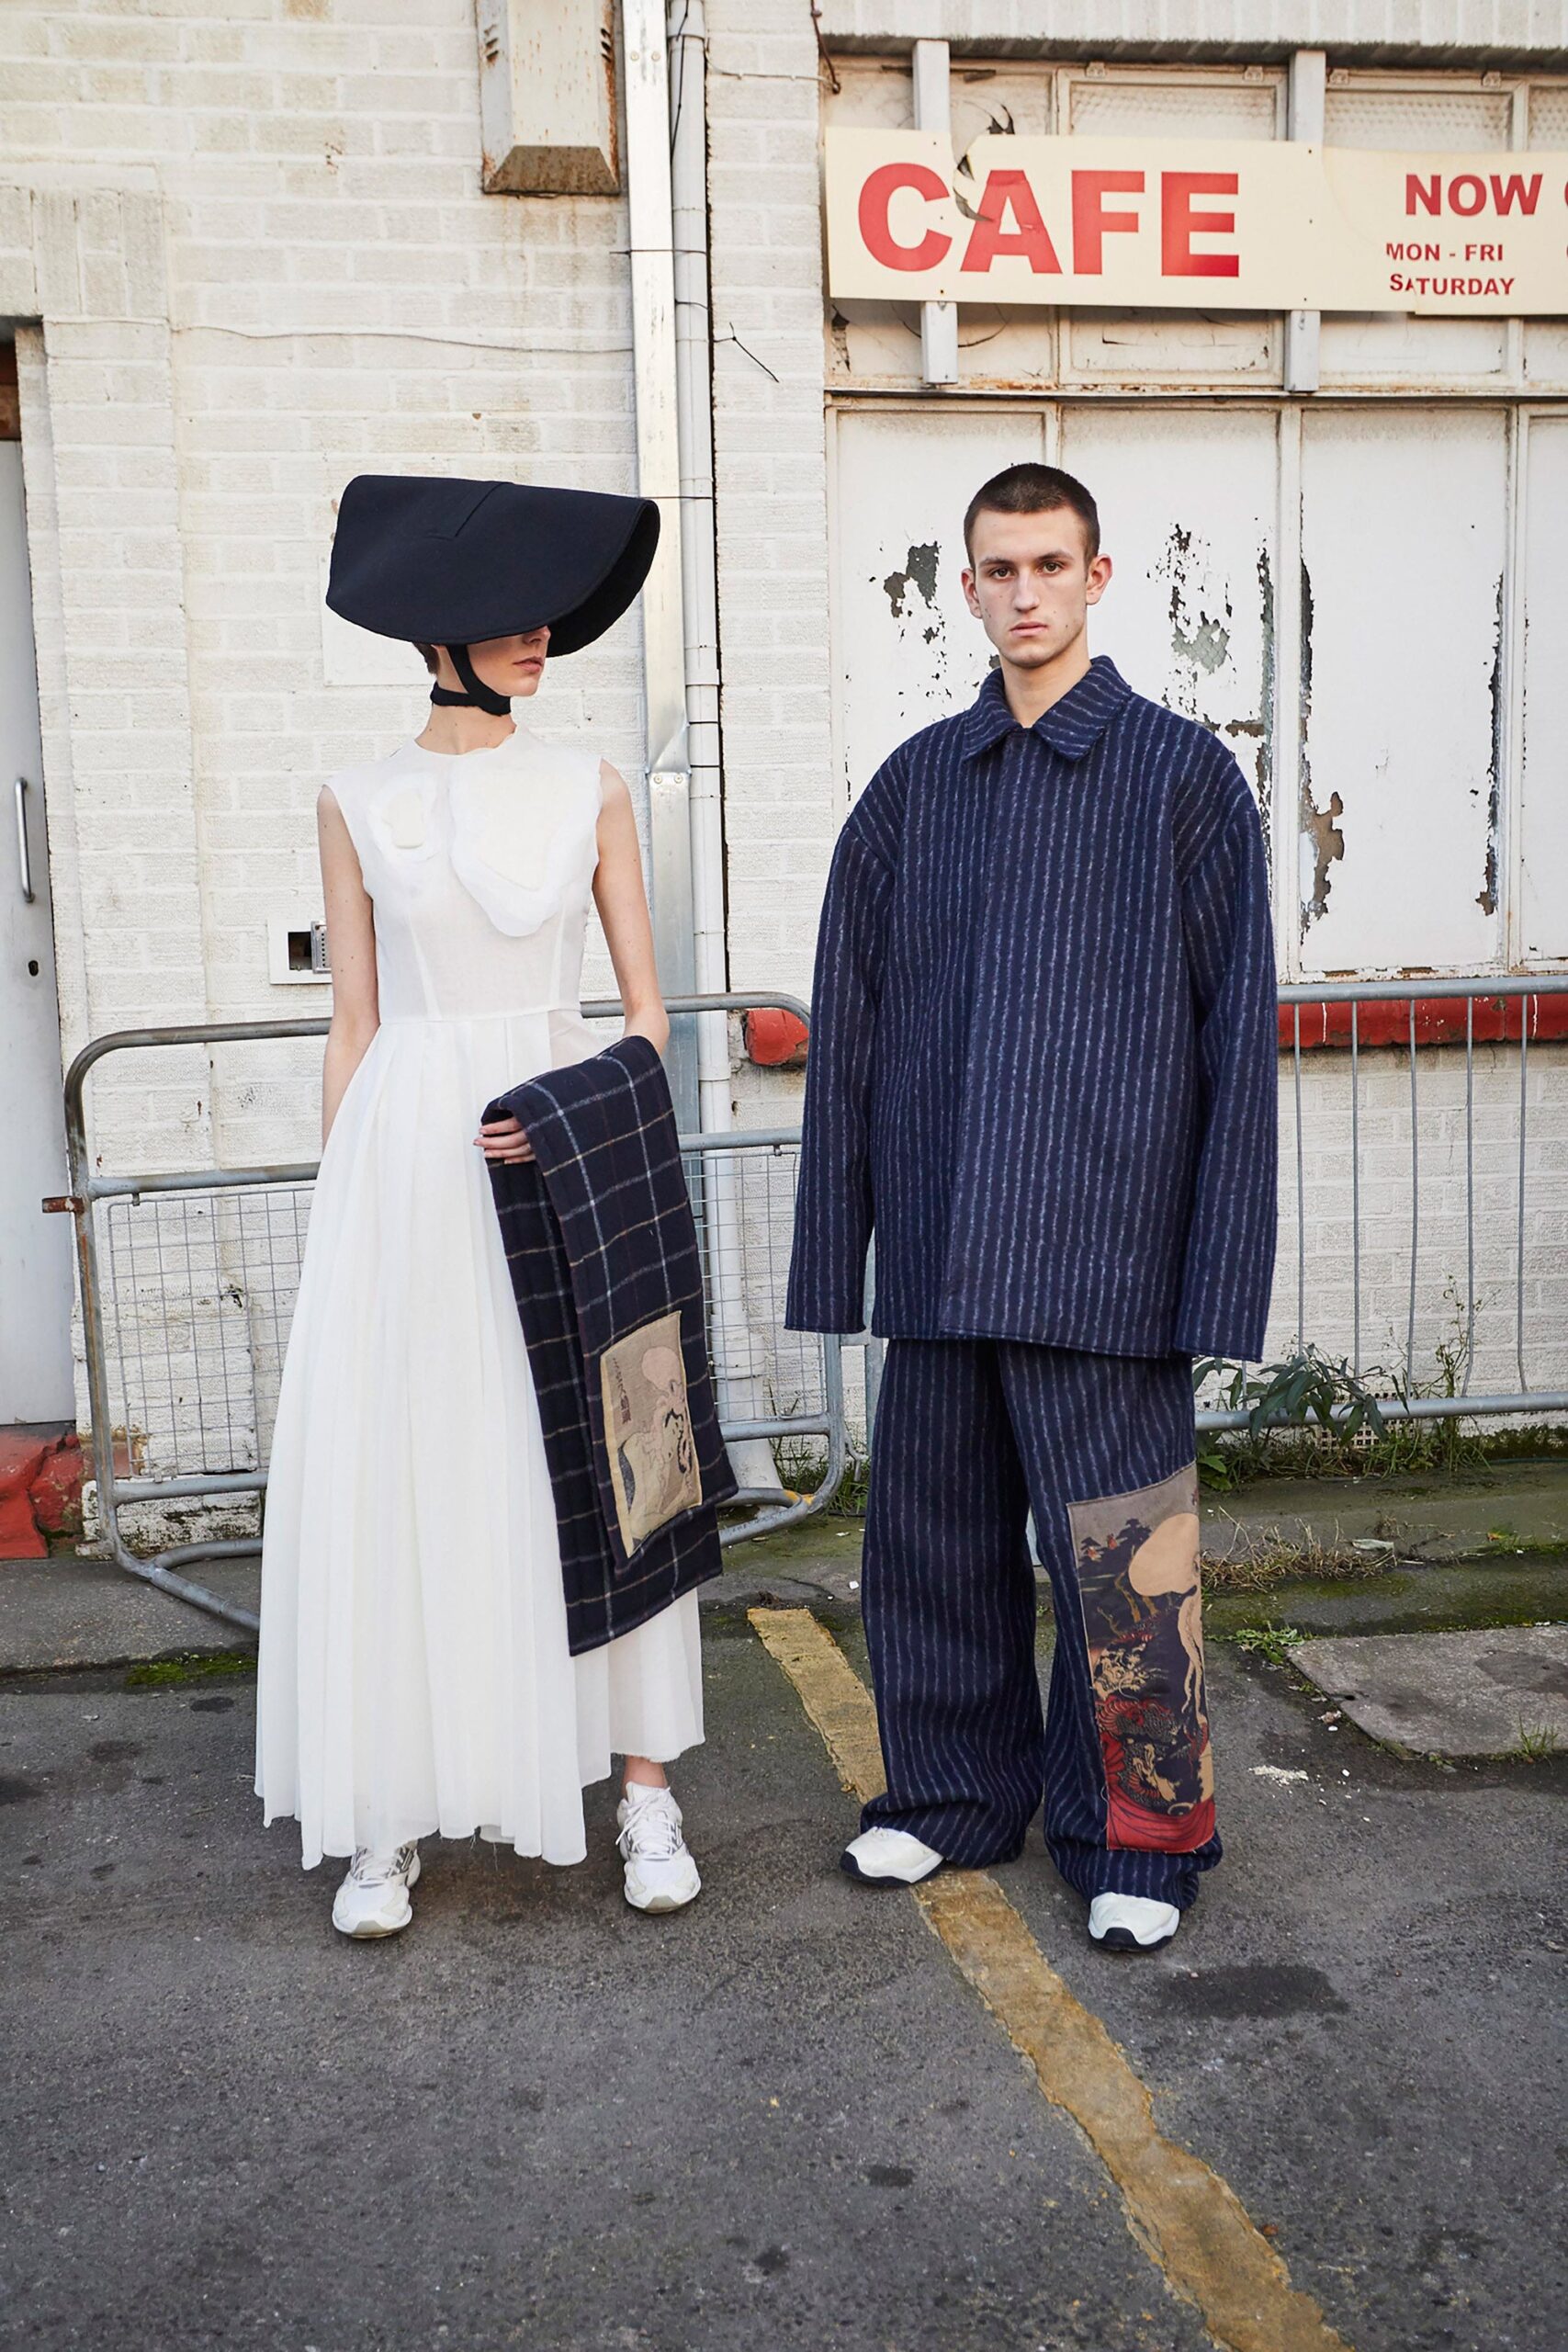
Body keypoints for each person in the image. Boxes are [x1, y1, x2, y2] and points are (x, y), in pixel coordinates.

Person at [785, 463, 1277, 1954]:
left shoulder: (1183, 779)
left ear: (1098, 578)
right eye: (998, 569)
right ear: (968, 588)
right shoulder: (913, 789)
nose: (1024, 593)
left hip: (1105, 1260)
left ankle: (1139, 1838)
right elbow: (850, 1030)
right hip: (939, 1249)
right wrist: (839, 1256)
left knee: (1125, 1566)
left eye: (1049, 565)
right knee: (929, 1551)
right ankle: (944, 1798)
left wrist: (1217, 1280)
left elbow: (1233, 1041)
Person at [256, 474, 705, 1937]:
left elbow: (644, 1016)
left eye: (551, 616)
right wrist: (345, 1209)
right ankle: (384, 1810)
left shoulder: (591, 787)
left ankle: (643, 1787)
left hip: (560, 1146)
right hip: (408, 1167)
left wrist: (566, 1117)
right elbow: (356, 1023)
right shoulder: (353, 795)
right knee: (419, 1459)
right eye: (513, 616)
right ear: (439, 633)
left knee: (615, 1436)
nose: (543, 637)